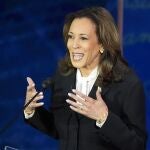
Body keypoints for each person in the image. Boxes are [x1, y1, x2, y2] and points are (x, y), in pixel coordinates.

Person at [24, 7, 147, 150]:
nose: (74, 45)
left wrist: (104, 118)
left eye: (83, 38)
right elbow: (61, 131)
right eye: (71, 36)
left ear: (102, 44)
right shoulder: (63, 76)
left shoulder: (127, 83)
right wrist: (32, 110)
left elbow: (138, 145)